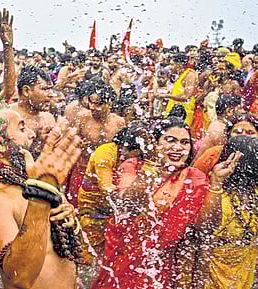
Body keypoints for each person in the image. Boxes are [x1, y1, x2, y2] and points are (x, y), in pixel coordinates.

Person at [91, 116, 237, 289]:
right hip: (123, 258)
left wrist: (216, 184)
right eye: (170, 140)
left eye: (184, 142)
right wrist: (152, 165)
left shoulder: (193, 178)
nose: (177, 147)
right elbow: (126, 205)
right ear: (155, 143)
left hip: (162, 265)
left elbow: (206, 227)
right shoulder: (133, 166)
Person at [0, 110, 83, 289]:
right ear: (0, 143)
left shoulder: (32, 183)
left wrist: (71, 219)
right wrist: (41, 196)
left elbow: (78, 253)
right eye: (21, 129)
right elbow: (20, 277)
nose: (32, 134)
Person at [195, 136, 257, 289]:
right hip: (213, 276)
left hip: (246, 274)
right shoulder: (214, 193)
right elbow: (204, 232)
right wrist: (216, 182)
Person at [78, 123, 142, 263]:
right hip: (93, 204)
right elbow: (106, 187)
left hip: (109, 207)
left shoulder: (127, 157)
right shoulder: (105, 154)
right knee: (90, 245)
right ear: (126, 148)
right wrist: (125, 198)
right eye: (135, 154)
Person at [67, 81, 125, 207]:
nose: (92, 107)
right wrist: (78, 144)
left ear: (109, 104)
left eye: (98, 104)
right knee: (76, 208)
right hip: (82, 172)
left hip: (105, 175)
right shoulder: (82, 117)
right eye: (91, 102)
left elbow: (123, 152)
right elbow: (70, 140)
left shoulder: (119, 123)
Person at [9, 65, 55, 159]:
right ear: (26, 91)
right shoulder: (9, 115)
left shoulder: (48, 118)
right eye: (45, 89)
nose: (51, 95)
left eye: (51, 89)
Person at [194, 113, 258, 175]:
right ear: (228, 135)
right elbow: (195, 178)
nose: (243, 136)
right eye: (237, 132)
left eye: (250, 133)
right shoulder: (212, 154)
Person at [194, 94, 242, 160]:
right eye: (239, 109)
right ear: (229, 111)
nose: (242, 112)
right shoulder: (221, 130)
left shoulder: (217, 124)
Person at [157, 52, 198, 127]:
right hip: (174, 111)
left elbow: (186, 97)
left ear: (179, 65)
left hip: (183, 113)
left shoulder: (190, 75)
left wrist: (166, 95)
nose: (170, 67)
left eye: (172, 64)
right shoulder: (180, 75)